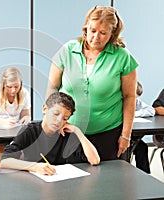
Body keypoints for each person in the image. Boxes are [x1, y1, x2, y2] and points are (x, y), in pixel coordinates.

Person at [46, 6, 138, 161]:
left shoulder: (122, 57)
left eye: (103, 33)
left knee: (109, 183)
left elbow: (130, 97)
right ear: (85, 28)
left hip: (108, 135)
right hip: (69, 131)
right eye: (93, 30)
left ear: (112, 34)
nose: (96, 37)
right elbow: (53, 87)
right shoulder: (67, 50)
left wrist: (126, 135)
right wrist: (52, 119)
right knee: (69, 181)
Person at [0, 92, 100, 175]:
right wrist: (35, 166)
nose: (59, 121)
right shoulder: (29, 131)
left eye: (65, 118)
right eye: (55, 114)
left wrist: (78, 132)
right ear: (44, 109)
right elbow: (4, 161)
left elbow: (95, 160)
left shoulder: (68, 133)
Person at [0, 67, 31, 169]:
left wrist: (26, 118)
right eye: (9, 87)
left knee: (24, 156)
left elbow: (26, 114)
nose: (13, 90)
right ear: (3, 84)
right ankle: (1, 183)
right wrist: (2, 122)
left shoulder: (24, 93)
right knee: (1, 156)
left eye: (16, 86)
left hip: (14, 135)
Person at [132, 81, 155, 173]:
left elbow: (151, 110)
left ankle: (145, 175)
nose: (133, 100)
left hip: (130, 135)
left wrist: (133, 114)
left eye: (135, 98)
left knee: (142, 147)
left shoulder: (136, 102)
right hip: (113, 135)